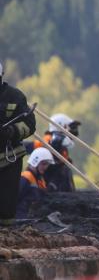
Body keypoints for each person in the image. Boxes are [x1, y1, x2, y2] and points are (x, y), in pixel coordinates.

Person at [0, 61, 36, 225]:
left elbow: (29, 125)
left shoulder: (15, 96)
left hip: (9, 159)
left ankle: (7, 238)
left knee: (6, 205)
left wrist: (12, 132)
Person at [31, 113, 80, 192]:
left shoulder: (57, 143)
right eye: (69, 127)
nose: (72, 131)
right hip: (51, 184)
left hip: (57, 183)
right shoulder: (51, 140)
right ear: (61, 126)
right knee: (65, 169)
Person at [16, 147, 54, 219]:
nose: (45, 167)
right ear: (35, 161)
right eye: (43, 164)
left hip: (30, 217)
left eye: (47, 165)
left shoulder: (40, 180)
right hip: (20, 217)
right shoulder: (26, 177)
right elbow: (14, 199)